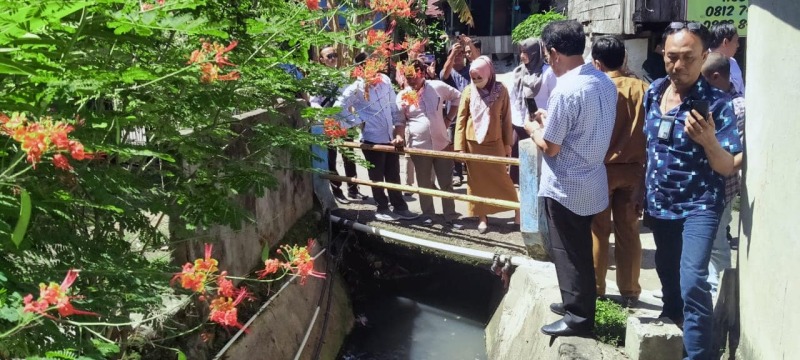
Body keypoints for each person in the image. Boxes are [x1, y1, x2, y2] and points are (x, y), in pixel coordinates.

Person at [643, 22, 741, 359]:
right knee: (667, 271)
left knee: (693, 280)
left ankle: (698, 355)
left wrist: (708, 141)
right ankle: (672, 314)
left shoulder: (717, 103)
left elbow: (727, 165)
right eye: (672, 57)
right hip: (659, 202)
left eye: (688, 58)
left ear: (703, 58)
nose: (678, 66)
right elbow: (651, 146)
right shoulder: (654, 91)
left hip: (700, 204)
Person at [523, 20, 617, 337]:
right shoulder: (603, 82)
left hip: (566, 186)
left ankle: (578, 318)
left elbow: (551, 147)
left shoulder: (566, 89)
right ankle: (574, 303)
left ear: (552, 53)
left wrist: (535, 129)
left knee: (569, 253)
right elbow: (582, 130)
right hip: (592, 181)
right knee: (578, 250)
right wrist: (549, 124)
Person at [589, 36, 649, 308]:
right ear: (624, 59)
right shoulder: (644, 89)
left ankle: (597, 289)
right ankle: (630, 292)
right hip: (634, 171)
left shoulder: (596, 90)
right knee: (629, 232)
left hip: (600, 170)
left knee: (598, 231)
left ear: (596, 63)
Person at [334, 53, 420, 222]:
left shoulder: (385, 81)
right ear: (362, 68)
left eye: (375, 63)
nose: (375, 67)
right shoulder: (356, 88)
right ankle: (382, 208)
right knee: (377, 177)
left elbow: (393, 107)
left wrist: (398, 131)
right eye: (370, 64)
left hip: (390, 138)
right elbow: (338, 107)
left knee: (394, 175)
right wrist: (357, 120)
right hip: (372, 138)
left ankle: (400, 207)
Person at [454, 56, 519, 233]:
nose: (476, 82)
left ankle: (517, 211)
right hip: (472, 143)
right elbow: (461, 120)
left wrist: (507, 144)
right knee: (477, 183)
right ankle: (482, 217)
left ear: (488, 73)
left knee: (503, 179)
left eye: (479, 78)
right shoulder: (468, 91)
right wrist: (459, 148)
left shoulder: (501, 90)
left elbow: (506, 119)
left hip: (495, 141)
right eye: (473, 78)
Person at [395, 60, 463, 228]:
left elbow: (457, 97)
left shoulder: (437, 87)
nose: (410, 80)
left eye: (414, 76)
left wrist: (448, 119)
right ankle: (428, 215)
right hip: (419, 146)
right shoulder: (402, 95)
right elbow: (400, 121)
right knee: (424, 182)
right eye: (407, 76)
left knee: (446, 181)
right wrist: (399, 137)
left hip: (441, 143)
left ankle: (450, 216)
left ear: (423, 74)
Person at [701, 51, 745, 298]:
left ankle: (720, 295)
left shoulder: (737, 107)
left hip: (722, 185)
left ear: (715, 77)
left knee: (717, 242)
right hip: (704, 185)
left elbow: (739, 155)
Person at [310, 45, 368, 203]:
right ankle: (337, 191)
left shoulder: (342, 75)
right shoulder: (318, 78)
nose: (333, 58)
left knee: (350, 155)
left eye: (335, 55)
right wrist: (325, 117)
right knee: (331, 157)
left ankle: (353, 189)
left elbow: (349, 99)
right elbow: (314, 102)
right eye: (329, 56)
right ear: (321, 60)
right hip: (329, 122)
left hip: (345, 121)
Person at [508, 38, 557, 184]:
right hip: (520, 122)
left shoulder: (547, 72)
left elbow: (553, 96)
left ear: (535, 53)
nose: (522, 56)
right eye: (521, 52)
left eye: (526, 52)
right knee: (518, 163)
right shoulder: (518, 72)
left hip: (539, 125)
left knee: (537, 164)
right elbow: (513, 97)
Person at [441, 42, 472, 187]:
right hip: (453, 116)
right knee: (453, 145)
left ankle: (472, 174)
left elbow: (480, 63)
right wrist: (453, 53)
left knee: (470, 144)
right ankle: (456, 174)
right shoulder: (448, 73)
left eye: (460, 54)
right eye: (455, 54)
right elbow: (444, 74)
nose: (458, 57)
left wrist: (469, 45)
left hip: (471, 115)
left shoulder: (471, 70)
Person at [709, 23, 744, 94]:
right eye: (736, 41)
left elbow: (741, 92)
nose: (738, 45)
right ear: (725, 42)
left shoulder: (733, 62)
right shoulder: (702, 61)